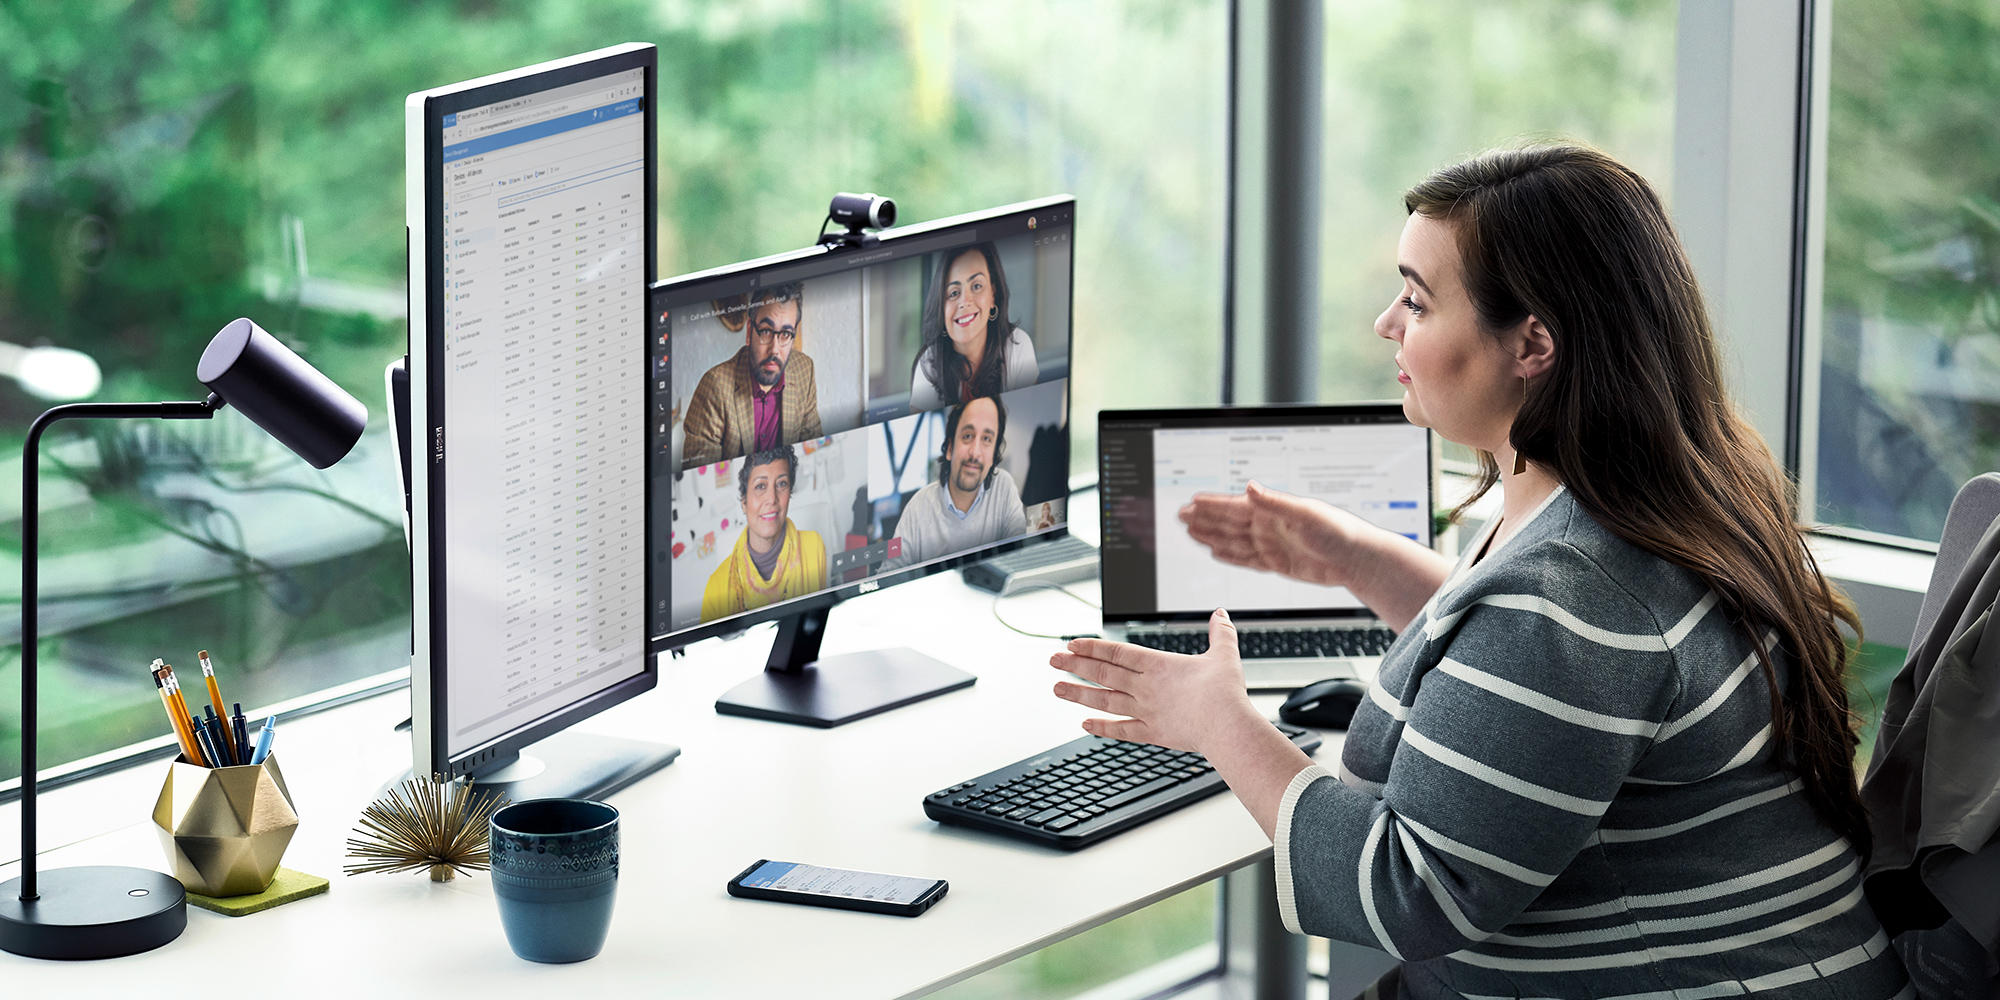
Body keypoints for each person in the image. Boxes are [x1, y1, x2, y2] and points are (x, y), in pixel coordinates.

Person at [1050, 145, 1908, 998]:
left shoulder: (1574, 595)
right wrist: (1358, 559)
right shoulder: (1657, 493)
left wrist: (1219, 725)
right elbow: (1559, 690)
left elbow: (1409, 893)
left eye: (1418, 302)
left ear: (1532, 343)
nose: (1388, 322)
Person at [682, 283, 822, 467]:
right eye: (765, 331)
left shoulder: (805, 370)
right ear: (749, 332)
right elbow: (701, 473)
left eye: (786, 334)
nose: (774, 350)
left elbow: (812, 451)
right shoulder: (714, 387)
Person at [881, 395, 1027, 571]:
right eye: (967, 436)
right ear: (950, 448)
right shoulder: (919, 507)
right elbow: (890, 573)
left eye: (987, 439)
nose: (975, 453)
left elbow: (1021, 557)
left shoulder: (1004, 488)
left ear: (993, 455)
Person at [700, 444, 827, 621]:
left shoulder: (813, 546)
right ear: (744, 502)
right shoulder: (716, 585)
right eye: (760, 486)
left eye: (781, 484)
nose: (772, 498)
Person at [908, 243, 1038, 411]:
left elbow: (1028, 417)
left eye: (976, 286)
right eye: (954, 293)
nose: (965, 302)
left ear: (993, 294)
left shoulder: (1018, 345)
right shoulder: (929, 364)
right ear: (941, 306)